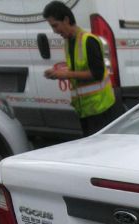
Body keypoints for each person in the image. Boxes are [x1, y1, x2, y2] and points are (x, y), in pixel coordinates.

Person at [41, 1, 124, 136]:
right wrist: (60, 73)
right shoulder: (69, 42)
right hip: (85, 111)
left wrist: (65, 74)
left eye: (55, 25)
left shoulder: (88, 40)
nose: (54, 31)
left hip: (100, 110)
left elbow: (97, 74)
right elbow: (78, 70)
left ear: (66, 20)